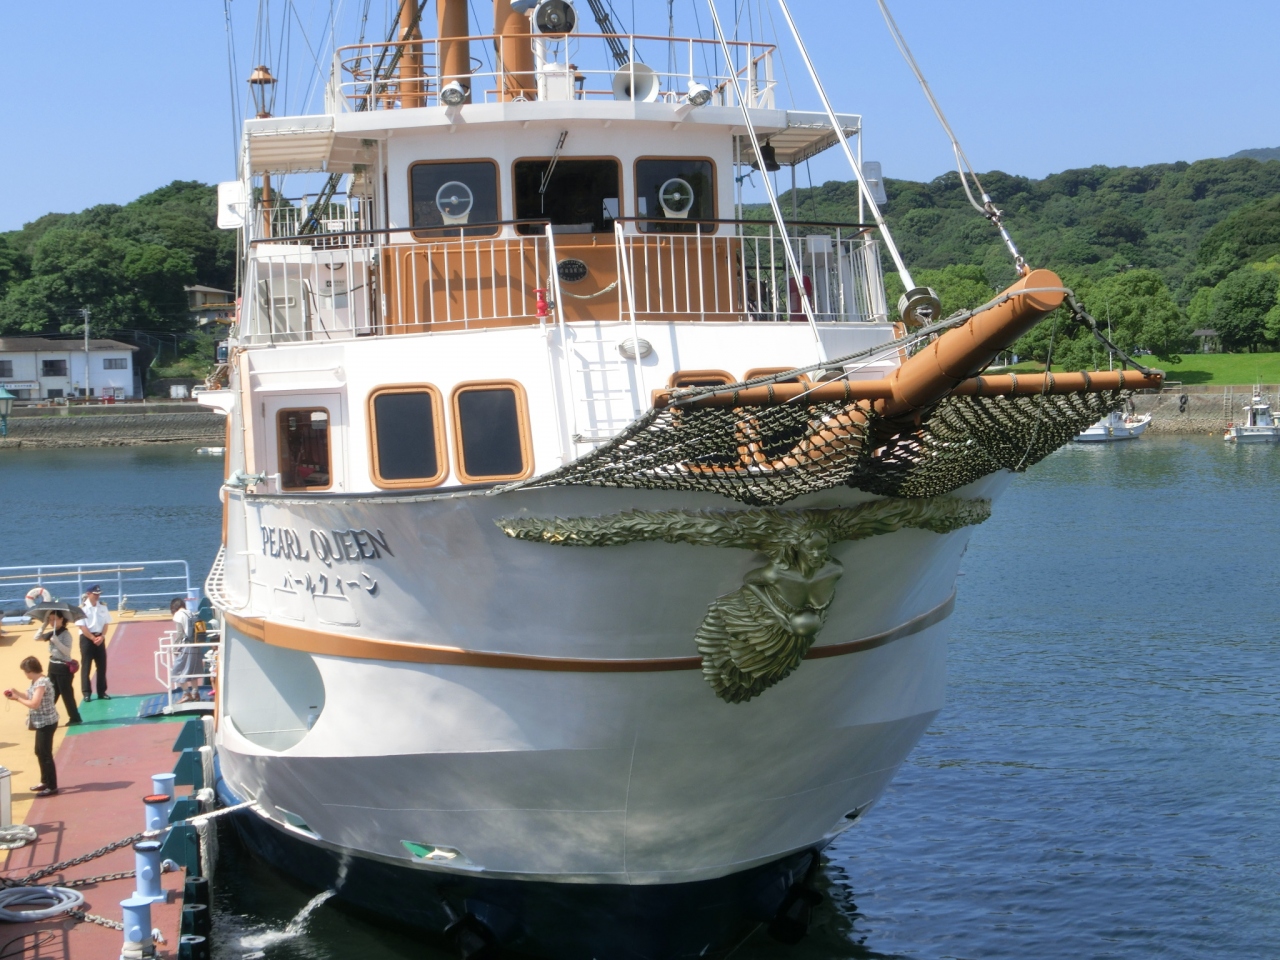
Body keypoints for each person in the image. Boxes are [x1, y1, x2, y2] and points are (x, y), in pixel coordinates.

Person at [5, 656, 60, 797]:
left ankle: (52, 786)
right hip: (42, 722)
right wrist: (17, 693)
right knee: (39, 751)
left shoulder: (41, 683)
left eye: (25, 671)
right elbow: (29, 695)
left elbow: (34, 704)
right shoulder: (37, 681)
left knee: (45, 754)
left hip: (46, 722)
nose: (25, 674)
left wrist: (17, 698)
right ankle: (45, 781)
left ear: (30, 670)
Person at [35, 611, 82, 725]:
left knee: (67, 694)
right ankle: (46, 715)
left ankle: (75, 718)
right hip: (52, 666)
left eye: (54, 619)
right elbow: (36, 637)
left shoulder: (66, 634)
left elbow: (67, 652)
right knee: (50, 693)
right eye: (50, 619)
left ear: (61, 619)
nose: (52, 621)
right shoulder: (52, 633)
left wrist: (56, 641)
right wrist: (44, 624)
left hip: (63, 667)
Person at [75, 585, 111, 702]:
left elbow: (106, 623)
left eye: (98, 594)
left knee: (102, 666)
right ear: (88, 594)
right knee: (86, 666)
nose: (97, 596)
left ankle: (101, 691)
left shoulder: (103, 607)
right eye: (95, 594)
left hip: (100, 637)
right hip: (87, 639)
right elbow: (82, 626)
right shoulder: (82, 608)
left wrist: (102, 637)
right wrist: (92, 638)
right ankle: (86, 693)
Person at [170, 598, 203, 703]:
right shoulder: (191, 613)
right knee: (192, 670)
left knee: (177, 671)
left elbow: (180, 633)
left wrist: (174, 647)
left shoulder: (178, 615)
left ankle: (186, 694)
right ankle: (195, 693)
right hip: (196, 645)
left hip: (186, 646)